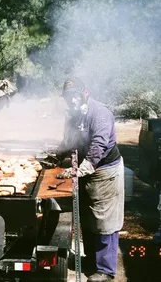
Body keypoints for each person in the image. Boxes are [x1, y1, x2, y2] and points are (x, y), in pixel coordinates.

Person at [53, 77, 124, 282]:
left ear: (85, 93)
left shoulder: (100, 113)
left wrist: (81, 168)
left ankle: (105, 270)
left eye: (73, 96)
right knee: (88, 217)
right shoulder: (73, 115)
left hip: (105, 172)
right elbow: (69, 141)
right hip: (85, 171)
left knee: (104, 220)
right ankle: (92, 261)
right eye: (67, 97)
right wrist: (56, 156)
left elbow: (100, 145)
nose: (70, 100)